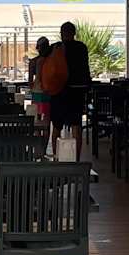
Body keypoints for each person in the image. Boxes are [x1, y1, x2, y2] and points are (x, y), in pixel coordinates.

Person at [48, 20, 92, 160]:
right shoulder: (81, 48)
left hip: (59, 92)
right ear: (74, 33)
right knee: (76, 126)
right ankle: (76, 159)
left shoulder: (55, 47)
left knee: (56, 127)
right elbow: (85, 69)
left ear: (61, 34)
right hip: (76, 92)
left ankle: (56, 157)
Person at [28, 34, 52, 152]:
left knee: (36, 121)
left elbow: (30, 82)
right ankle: (44, 149)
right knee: (47, 120)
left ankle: (38, 148)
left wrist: (34, 87)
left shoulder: (33, 62)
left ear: (38, 48)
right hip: (49, 92)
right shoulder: (52, 61)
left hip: (37, 92)